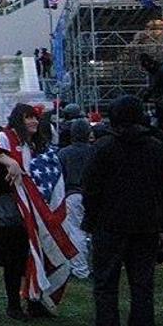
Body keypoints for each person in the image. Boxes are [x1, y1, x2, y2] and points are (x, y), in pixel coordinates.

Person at [81, 95, 163, 326]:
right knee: (142, 287)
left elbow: (90, 190)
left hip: (109, 225)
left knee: (105, 287)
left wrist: (90, 221)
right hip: (146, 226)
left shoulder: (103, 148)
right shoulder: (157, 149)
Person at [0, 104, 71, 319]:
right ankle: (13, 304)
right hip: (12, 210)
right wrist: (8, 159)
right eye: (28, 118)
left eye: (35, 118)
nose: (33, 122)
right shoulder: (5, 139)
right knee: (14, 259)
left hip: (37, 210)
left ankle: (35, 300)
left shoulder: (37, 144)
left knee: (34, 255)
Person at [58, 118, 94, 279]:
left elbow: (60, 177)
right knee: (97, 232)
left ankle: (80, 269)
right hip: (95, 195)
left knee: (76, 232)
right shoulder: (96, 151)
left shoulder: (64, 153)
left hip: (73, 194)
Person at [138, 53, 163, 148]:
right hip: (160, 102)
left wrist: (162, 101)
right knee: (161, 125)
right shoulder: (153, 72)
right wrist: (145, 96)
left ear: (148, 63)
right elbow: (152, 87)